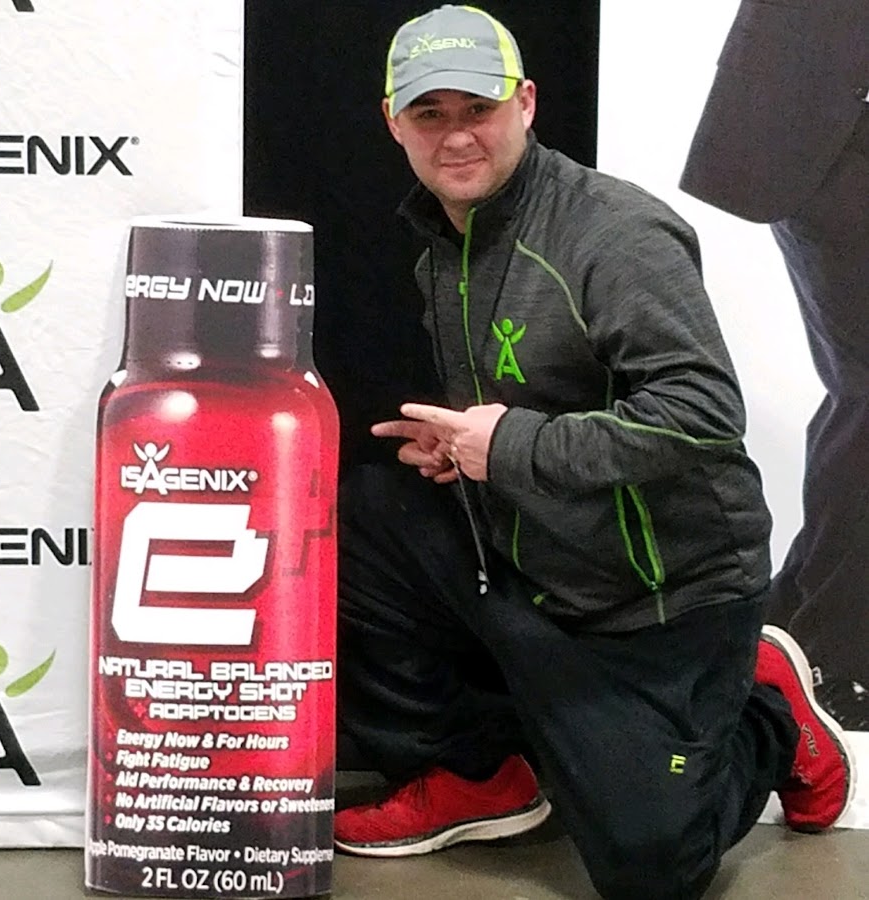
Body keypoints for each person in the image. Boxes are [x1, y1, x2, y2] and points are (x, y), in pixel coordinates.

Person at [334, 6, 855, 898]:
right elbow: (537, 406)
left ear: (527, 104)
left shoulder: (614, 234)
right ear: (394, 122)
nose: (456, 135)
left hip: (663, 599)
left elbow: (702, 413)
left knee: (650, 870)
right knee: (358, 517)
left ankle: (768, 710)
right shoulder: (444, 246)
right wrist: (468, 450)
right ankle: (480, 770)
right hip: (540, 566)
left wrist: (512, 446)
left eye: (478, 108)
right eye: (430, 113)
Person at [680, 0, 869, 731]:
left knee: (859, 393)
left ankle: (791, 625)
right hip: (827, 121)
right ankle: (832, 654)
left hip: (830, 118)